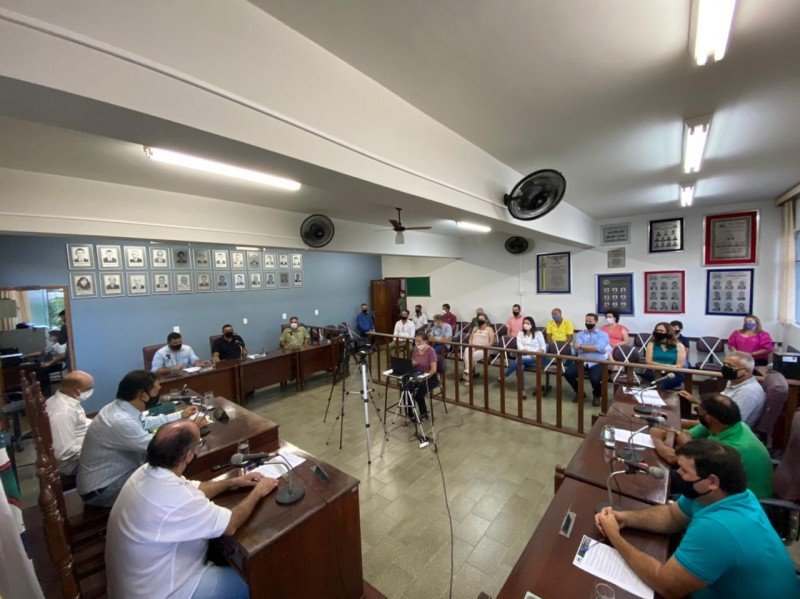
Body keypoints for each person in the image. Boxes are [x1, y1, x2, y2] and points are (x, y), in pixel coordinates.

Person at [594, 439, 799, 598]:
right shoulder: (720, 495)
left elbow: (667, 586)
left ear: (712, 481)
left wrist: (615, 537)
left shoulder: (718, 527)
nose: (677, 474)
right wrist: (625, 518)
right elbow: (672, 516)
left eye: (684, 471)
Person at [106, 420, 278, 599]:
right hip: (166, 592)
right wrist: (259, 491)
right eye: (199, 444)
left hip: (136, 584)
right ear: (189, 455)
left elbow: (196, 488)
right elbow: (230, 524)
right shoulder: (174, 497)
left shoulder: (146, 472)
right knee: (254, 580)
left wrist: (234, 482)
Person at [77, 370, 200, 507]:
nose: (159, 394)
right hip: (104, 490)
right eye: (156, 391)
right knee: (169, 464)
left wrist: (179, 415)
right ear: (144, 396)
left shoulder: (119, 407)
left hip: (112, 477)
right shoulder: (119, 421)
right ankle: (188, 501)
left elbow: (144, 422)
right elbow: (160, 446)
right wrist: (190, 428)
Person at [651, 394, 773, 498]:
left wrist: (656, 439)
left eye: (697, 411)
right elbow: (687, 435)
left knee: (659, 476)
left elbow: (673, 458)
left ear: (708, 418)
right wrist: (682, 437)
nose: (697, 414)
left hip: (740, 500)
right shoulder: (730, 424)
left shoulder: (731, 447)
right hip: (721, 481)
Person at [679, 352, 765, 427]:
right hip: (715, 423)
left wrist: (686, 423)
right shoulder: (734, 381)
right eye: (725, 364)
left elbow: (730, 424)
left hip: (727, 433)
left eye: (731, 366)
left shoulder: (748, 392)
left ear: (747, 371)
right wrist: (698, 400)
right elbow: (721, 407)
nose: (725, 368)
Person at [45, 371, 94, 477]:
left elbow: (80, 422)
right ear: (76, 391)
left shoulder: (65, 400)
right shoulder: (63, 413)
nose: (91, 391)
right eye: (89, 389)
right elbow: (63, 453)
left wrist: (98, 424)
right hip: (71, 465)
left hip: (80, 447)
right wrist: (97, 447)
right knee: (118, 457)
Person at [564, 313, 609, 406]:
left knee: (595, 379)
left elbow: (598, 347)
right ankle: (580, 392)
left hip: (597, 362)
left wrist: (582, 346)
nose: (588, 323)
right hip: (582, 361)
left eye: (590, 321)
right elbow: (577, 348)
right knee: (568, 374)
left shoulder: (603, 335)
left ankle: (597, 395)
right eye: (586, 321)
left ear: (596, 322)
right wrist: (593, 348)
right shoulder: (580, 334)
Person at [501, 316, 545, 399]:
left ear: (532, 324)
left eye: (528, 323)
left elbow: (543, 348)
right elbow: (519, 347)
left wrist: (534, 354)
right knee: (519, 366)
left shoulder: (538, 333)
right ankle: (522, 391)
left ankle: (504, 376)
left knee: (518, 360)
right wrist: (529, 352)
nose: (525, 324)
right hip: (523, 356)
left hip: (535, 358)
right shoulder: (520, 333)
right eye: (524, 323)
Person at [643, 322, 686, 390]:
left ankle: (659, 392)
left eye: (661, 331)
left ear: (669, 332)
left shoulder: (679, 346)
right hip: (654, 370)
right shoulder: (651, 344)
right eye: (657, 330)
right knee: (656, 380)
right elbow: (649, 361)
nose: (659, 332)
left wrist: (667, 369)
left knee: (662, 383)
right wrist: (666, 366)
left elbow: (679, 366)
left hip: (673, 373)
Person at [410, 332, 438, 421]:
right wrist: (413, 364)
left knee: (419, 395)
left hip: (430, 377)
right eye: (416, 341)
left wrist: (423, 378)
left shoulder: (431, 351)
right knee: (406, 389)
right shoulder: (415, 351)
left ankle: (424, 414)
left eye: (419, 341)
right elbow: (412, 365)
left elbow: (433, 369)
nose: (417, 343)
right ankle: (410, 414)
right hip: (418, 375)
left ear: (425, 341)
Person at [462, 314, 495, 382]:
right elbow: (470, 339)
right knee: (467, 349)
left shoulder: (489, 329)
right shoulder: (475, 328)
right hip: (473, 347)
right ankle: (469, 370)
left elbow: (491, 342)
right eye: (479, 319)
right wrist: (471, 345)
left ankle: (467, 378)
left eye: (482, 319)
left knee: (471, 357)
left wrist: (483, 347)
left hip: (484, 349)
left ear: (486, 320)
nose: (480, 320)